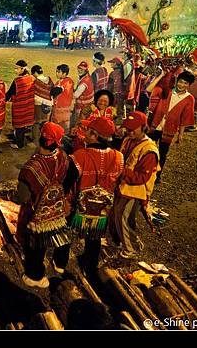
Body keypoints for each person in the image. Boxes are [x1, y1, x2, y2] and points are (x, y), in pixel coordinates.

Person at [15, 122, 78, 288]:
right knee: (60, 234)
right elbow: (74, 174)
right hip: (57, 210)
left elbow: (22, 196)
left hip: (37, 214)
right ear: (57, 142)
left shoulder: (31, 168)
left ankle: (35, 276)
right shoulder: (64, 157)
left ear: (39, 139)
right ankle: (59, 265)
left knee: (35, 245)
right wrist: (61, 194)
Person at [69, 117, 124, 276]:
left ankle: (62, 262)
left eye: (88, 130)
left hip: (81, 207)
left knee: (68, 232)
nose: (84, 133)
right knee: (95, 237)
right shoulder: (118, 156)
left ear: (93, 135)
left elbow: (70, 181)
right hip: (102, 209)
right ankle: (89, 267)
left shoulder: (80, 155)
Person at [110, 111, 159, 259]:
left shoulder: (149, 150)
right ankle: (120, 241)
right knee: (117, 214)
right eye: (128, 128)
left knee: (123, 217)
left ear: (143, 127)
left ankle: (132, 247)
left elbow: (143, 177)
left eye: (133, 129)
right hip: (123, 186)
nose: (129, 132)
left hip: (135, 190)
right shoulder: (128, 140)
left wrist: (122, 172)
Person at [147, 70, 195, 183]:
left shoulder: (189, 99)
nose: (182, 85)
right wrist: (161, 75)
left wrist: (181, 134)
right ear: (177, 81)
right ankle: (145, 171)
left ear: (189, 85)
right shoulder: (166, 91)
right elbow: (149, 90)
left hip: (170, 129)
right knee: (148, 149)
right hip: (155, 126)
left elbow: (185, 117)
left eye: (185, 83)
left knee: (162, 153)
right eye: (180, 82)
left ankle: (157, 175)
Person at [6, 60, 35, 149]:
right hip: (29, 106)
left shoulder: (17, 81)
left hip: (20, 107)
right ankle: (21, 137)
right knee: (24, 124)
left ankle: (19, 144)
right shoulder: (32, 78)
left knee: (19, 126)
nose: (15, 70)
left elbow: (9, 94)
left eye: (17, 68)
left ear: (22, 69)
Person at [31, 65, 54, 147]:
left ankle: (36, 141)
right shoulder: (50, 80)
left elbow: (33, 93)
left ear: (35, 73)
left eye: (33, 74)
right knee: (45, 123)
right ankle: (44, 139)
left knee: (36, 123)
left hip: (39, 105)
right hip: (49, 105)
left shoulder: (36, 82)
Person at [50, 64, 75, 134]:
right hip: (58, 109)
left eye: (58, 72)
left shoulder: (68, 82)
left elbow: (55, 91)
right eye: (56, 71)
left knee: (62, 130)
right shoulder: (59, 82)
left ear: (64, 73)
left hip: (63, 110)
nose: (56, 73)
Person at [73, 61, 94, 125]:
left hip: (82, 106)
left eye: (82, 69)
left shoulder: (84, 82)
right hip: (88, 104)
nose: (79, 70)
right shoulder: (87, 77)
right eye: (79, 68)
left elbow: (75, 95)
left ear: (86, 70)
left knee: (79, 122)